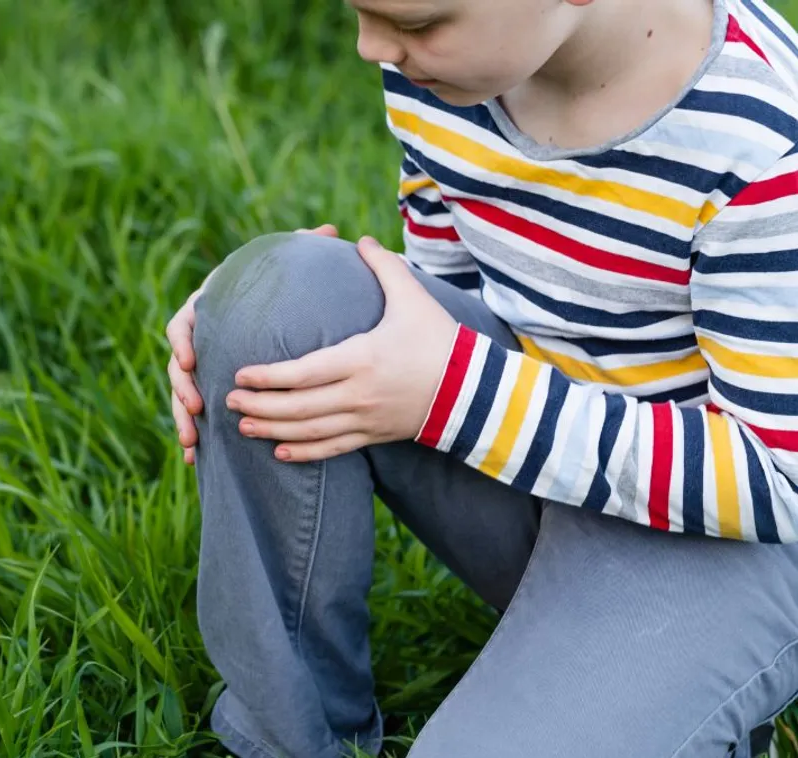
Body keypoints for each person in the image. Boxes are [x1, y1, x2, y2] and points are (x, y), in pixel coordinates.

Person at [165, 0, 798, 755]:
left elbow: (777, 483)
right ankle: (291, 736)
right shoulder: (452, 76)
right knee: (274, 307)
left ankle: (695, 683)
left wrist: (455, 392)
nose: (373, 48)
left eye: (420, 22)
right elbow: (450, 298)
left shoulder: (763, 149)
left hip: (726, 543)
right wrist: (257, 309)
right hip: (542, 459)